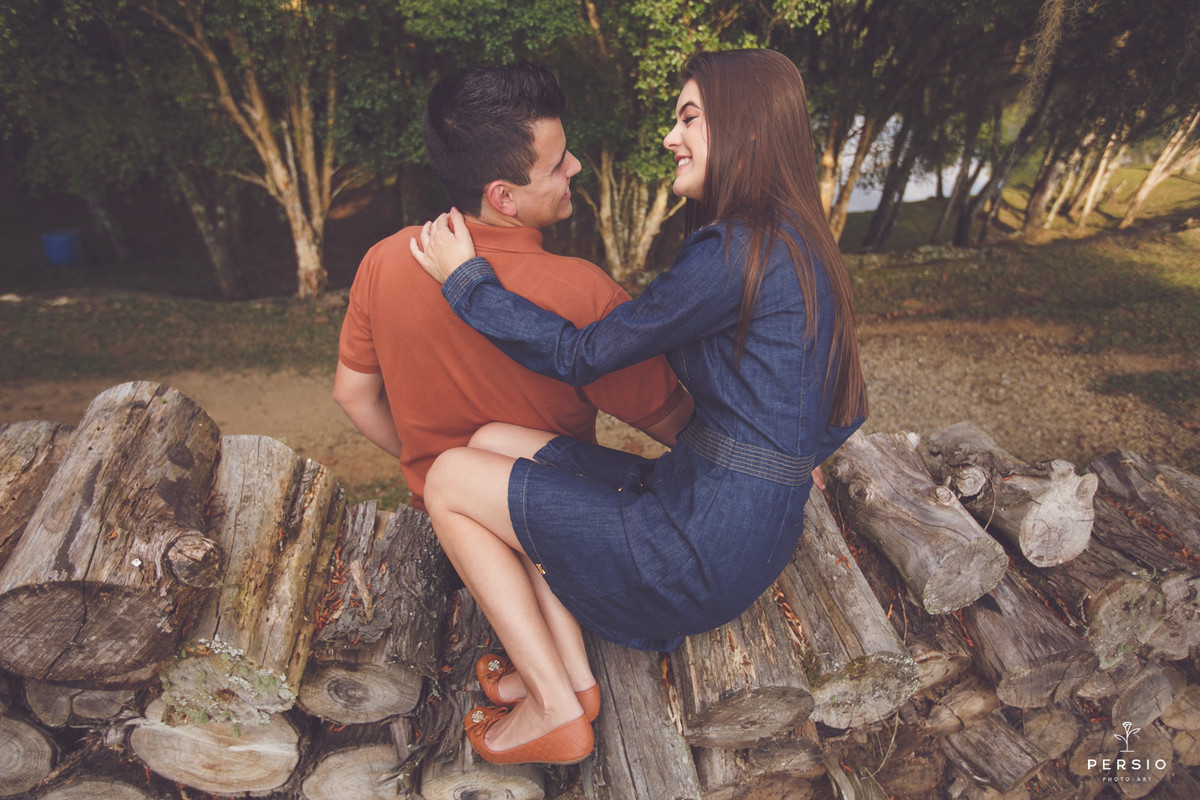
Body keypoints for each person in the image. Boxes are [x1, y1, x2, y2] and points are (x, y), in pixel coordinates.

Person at [411, 49, 868, 767]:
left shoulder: (736, 252)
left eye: (689, 118)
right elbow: (846, 405)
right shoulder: (793, 239)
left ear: (745, 129)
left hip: (692, 554)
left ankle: (554, 709)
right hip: (725, 523)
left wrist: (469, 282)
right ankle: (571, 677)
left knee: (447, 478)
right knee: (494, 438)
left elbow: (582, 354)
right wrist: (787, 465)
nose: (669, 136)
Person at [333, 63, 691, 513]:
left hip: (438, 519)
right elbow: (684, 430)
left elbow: (352, 395)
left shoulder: (385, 258)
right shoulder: (583, 292)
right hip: (553, 532)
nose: (575, 166)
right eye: (558, 164)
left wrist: (436, 468)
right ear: (503, 197)